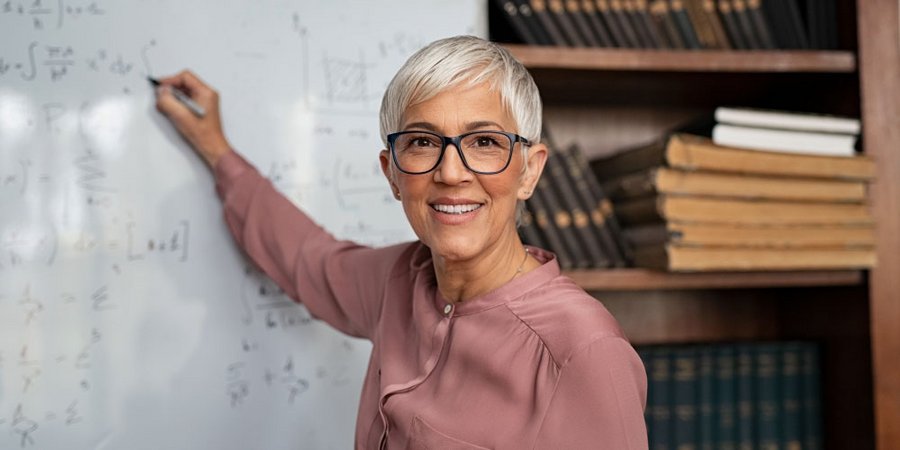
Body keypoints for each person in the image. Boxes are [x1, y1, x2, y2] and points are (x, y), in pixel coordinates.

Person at [154, 35, 647, 449]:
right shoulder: (397, 281)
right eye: (423, 142)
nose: (450, 173)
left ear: (530, 171)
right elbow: (307, 257)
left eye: (484, 143)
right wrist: (217, 150)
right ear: (392, 173)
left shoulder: (583, 352)